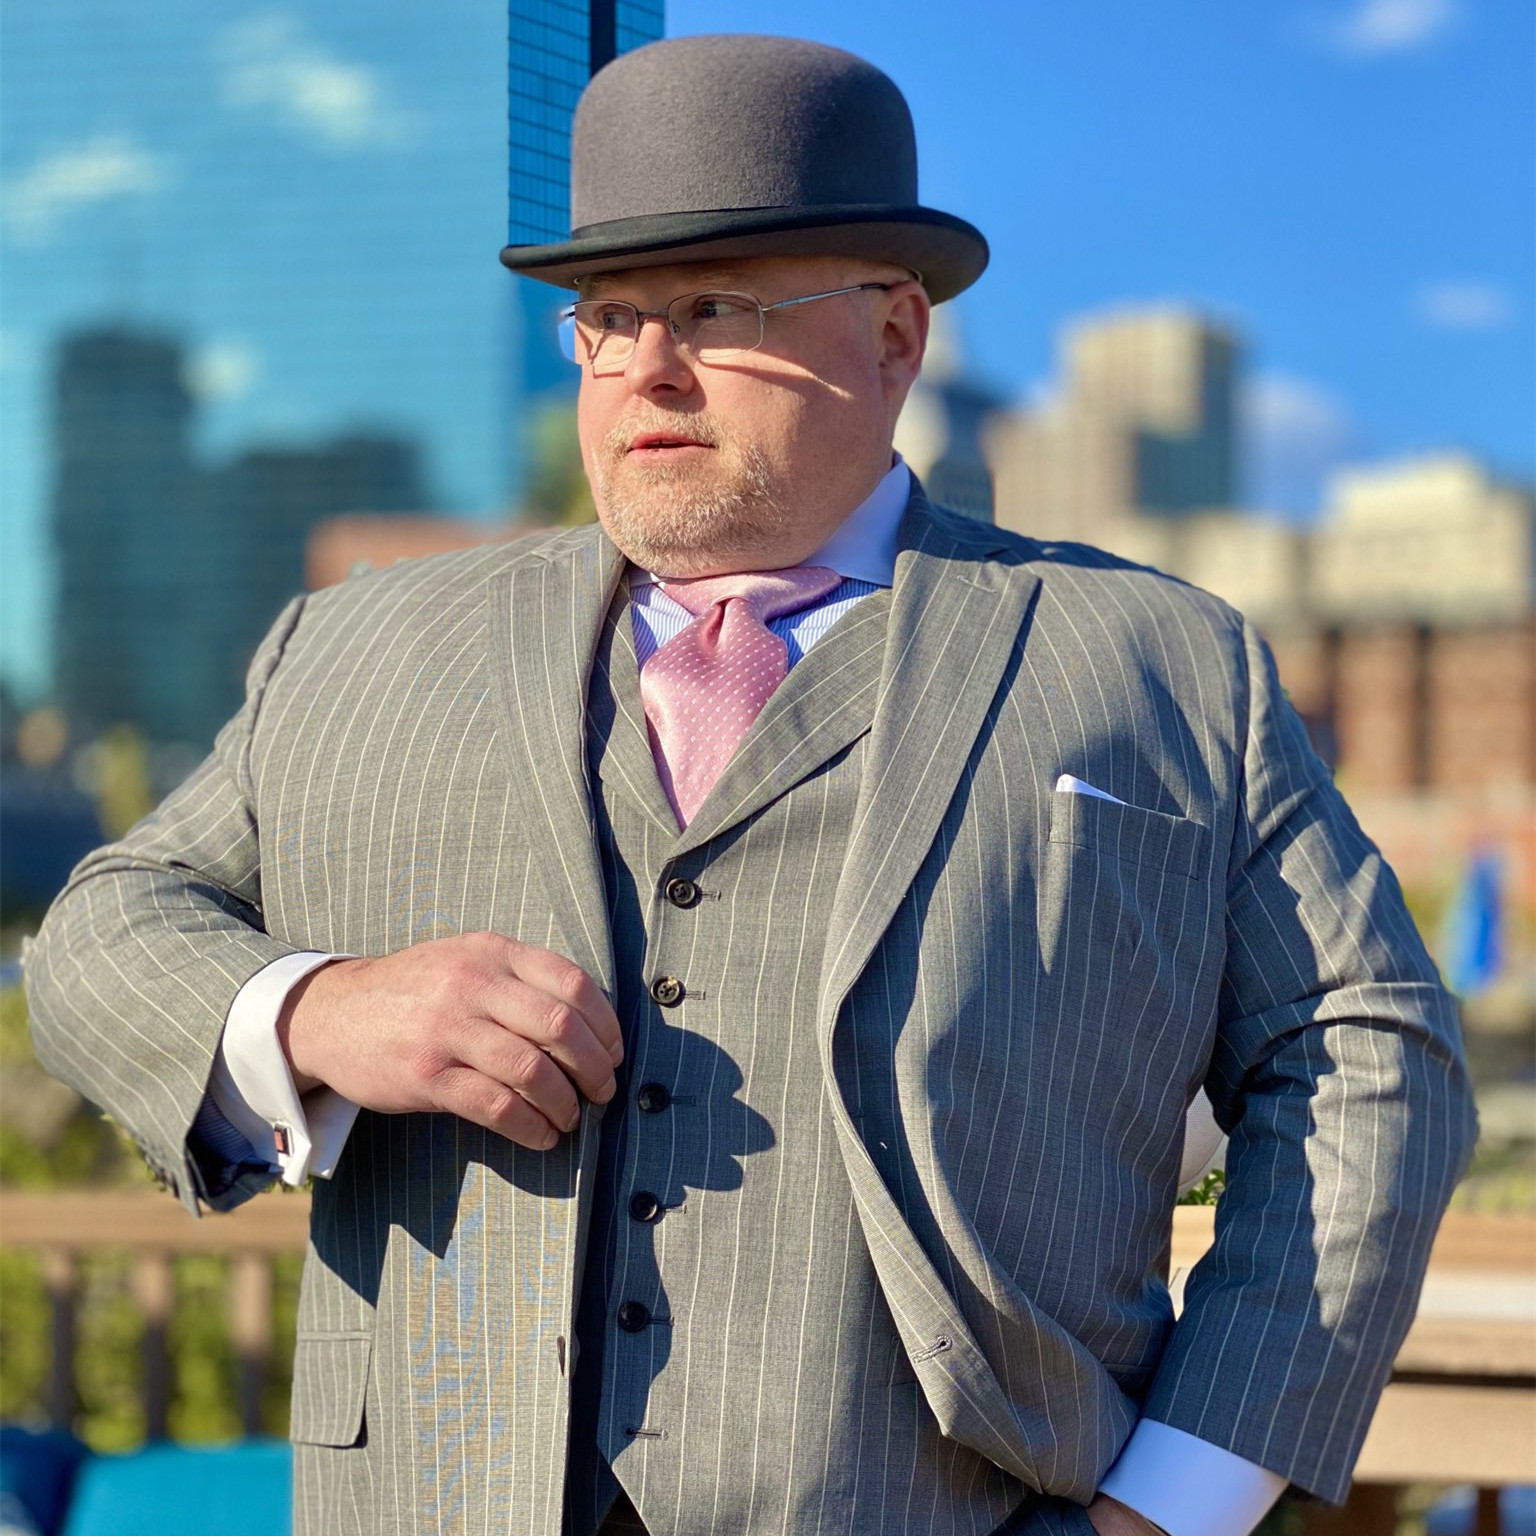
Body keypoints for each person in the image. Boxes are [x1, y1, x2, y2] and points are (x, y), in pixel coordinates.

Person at [27, 33, 1476, 1536]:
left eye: (718, 310)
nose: (648, 369)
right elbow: (103, 930)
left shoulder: (1159, 662)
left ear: (897, 336)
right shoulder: (360, 645)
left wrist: (1179, 1502)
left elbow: (1366, 1051)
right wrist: (316, 1012)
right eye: (608, 320)